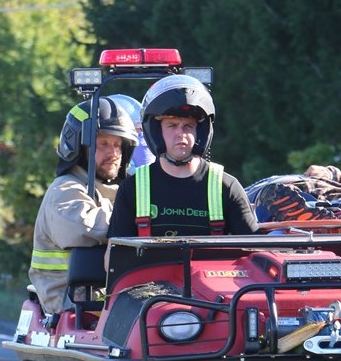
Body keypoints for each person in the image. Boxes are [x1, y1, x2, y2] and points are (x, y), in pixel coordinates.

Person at [108, 75, 258, 238]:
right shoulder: (132, 189)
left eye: (188, 126)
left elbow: (253, 253)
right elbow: (114, 257)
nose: (181, 134)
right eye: (172, 126)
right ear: (157, 132)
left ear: (201, 132)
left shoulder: (227, 187)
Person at [28, 98, 138, 315]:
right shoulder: (65, 189)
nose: (114, 153)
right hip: (71, 305)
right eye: (103, 144)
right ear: (78, 146)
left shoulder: (117, 190)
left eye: (118, 145)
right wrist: (143, 219)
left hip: (105, 301)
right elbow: (84, 227)